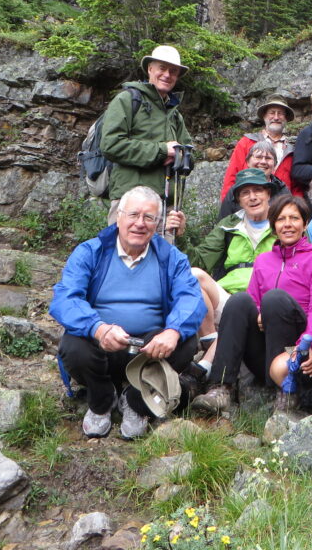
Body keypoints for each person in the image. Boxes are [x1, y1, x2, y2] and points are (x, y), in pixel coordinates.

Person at [50, 186, 206, 439]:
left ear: (158, 224)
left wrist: (173, 331)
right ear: (119, 216)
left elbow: (191, 299)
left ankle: (136, 400)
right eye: (133, 215)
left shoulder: (170, 257)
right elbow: (65, 298)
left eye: (149, 217)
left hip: (148, 349)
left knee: (186, 341)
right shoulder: (91, 251)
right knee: (72, 343)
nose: (139, 224)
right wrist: (98, 329)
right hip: (102, 345)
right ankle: (101, 398)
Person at [190, 195, 312, 416]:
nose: (287, 224)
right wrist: (259, 313)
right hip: (263, 352)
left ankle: (288, 395)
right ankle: (221, 388)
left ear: (305, 224)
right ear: (273, 225)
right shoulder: (264, 261)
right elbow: (253, 301)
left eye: (294, 218)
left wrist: (310, 345)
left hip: (294, 352)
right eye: (281, 219)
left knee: (274, 299)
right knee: (239, 301)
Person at [185, 169, 281, 379]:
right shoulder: (229, 225)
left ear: (268, 194)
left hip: (265, 300)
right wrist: (181, 236)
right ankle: (210, 338)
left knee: (241, 306)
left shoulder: (283, 223)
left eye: (258, 190)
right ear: (238, 199)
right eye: (245, 193)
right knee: (193, 275)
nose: (253, 197)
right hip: (228, 297)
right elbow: (199, 261)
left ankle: (205, 364)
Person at [101, 45, 192, 226]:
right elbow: (110, 145)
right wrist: (161, 151)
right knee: (124, 253)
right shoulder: (127, 100)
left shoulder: (174, 114)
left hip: (165, 206)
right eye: (162, 68)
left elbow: (189, 155)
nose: (167, 75)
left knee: (162, 255)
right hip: (130, 202)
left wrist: (178, 156)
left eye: (173, 71)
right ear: (150, 69)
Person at [220, 93, 301, 199]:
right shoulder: (246, 142)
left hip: (281, 208)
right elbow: (231, 176)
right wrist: (229, 206)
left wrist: (296, 208)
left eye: (280, 113)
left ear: (286, 118)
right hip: (249, 203)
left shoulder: (292, 151)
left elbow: (296, 187)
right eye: (272, 113)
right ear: (264, 116)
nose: (276, 117)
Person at [217, 140, 289, 219]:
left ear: (275, 164)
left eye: (268, 158)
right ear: (247, 162)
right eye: (258, 157)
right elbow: (223, 223)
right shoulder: (237, 189)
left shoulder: (282, 190)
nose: (263, 162)